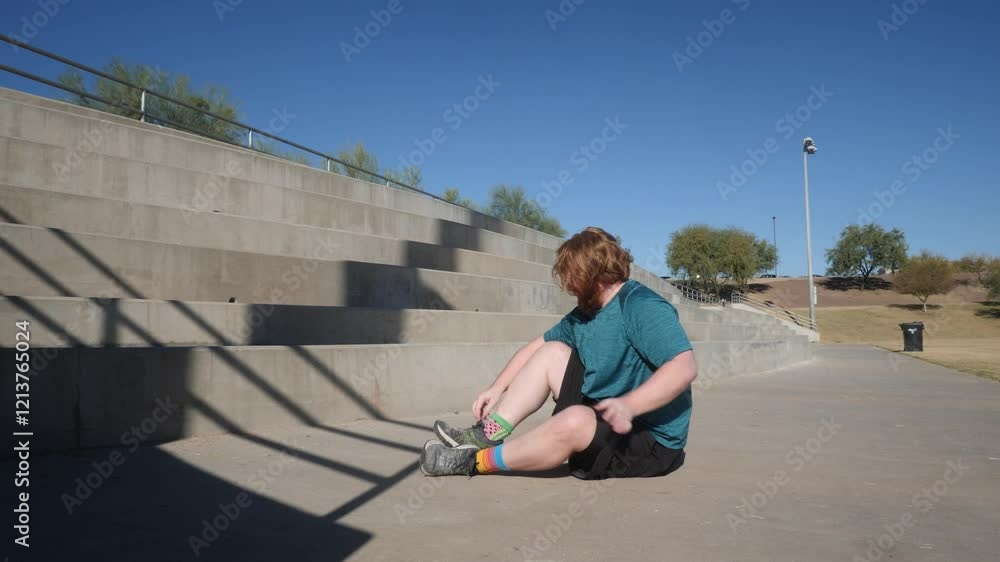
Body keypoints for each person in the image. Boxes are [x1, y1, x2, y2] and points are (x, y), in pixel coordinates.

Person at [419, 227, 698, 479]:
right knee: (551, 352)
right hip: (604, 411)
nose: (568, 284)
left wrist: (629, 405)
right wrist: (496, 388)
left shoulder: (640, 305)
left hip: (648, 439)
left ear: (591, 273)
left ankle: (473, 461)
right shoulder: (586, 313)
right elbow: (535, 347)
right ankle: (486, 434)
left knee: (574, 421)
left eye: (572, 275)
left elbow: (684, 367)